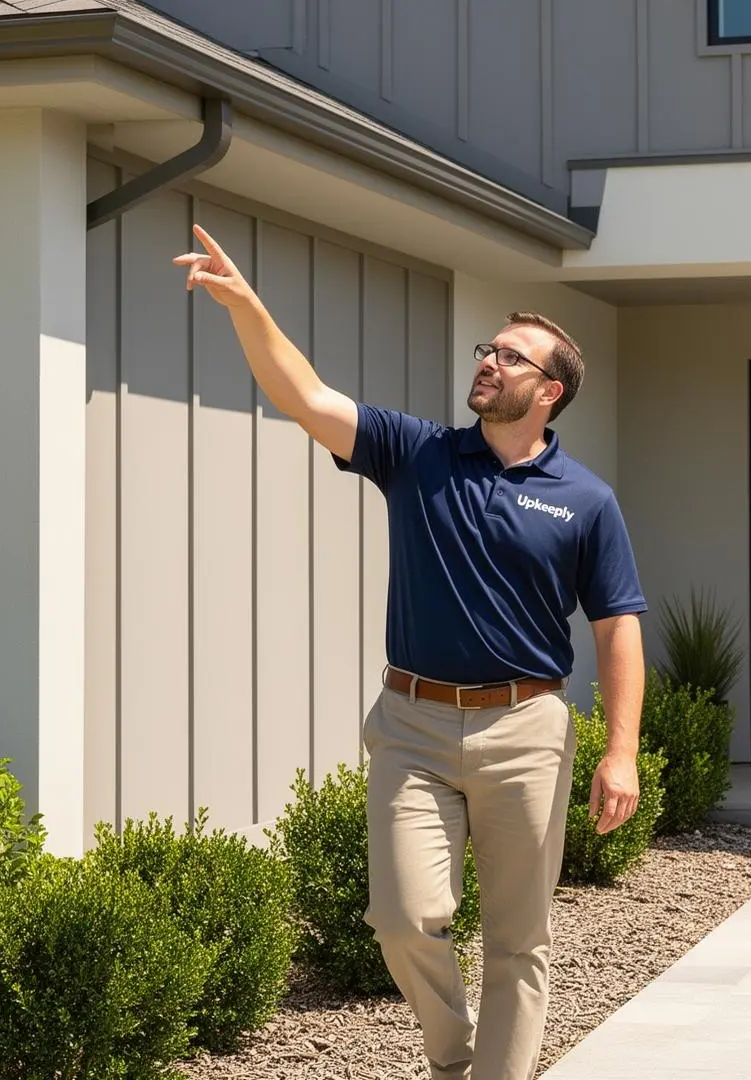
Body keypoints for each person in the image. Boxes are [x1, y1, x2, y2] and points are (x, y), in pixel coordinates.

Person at [175, 224, 648, 1080]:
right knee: (400, 917)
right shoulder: (418, 453)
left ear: (551, 393)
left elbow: (618, 624)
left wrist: (621, 752)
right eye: (488, 350)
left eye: (511, 357)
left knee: (518, 941)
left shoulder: (586, 500)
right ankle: (453, 1060)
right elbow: (307, 396)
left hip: (526, 728)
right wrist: (247, 307)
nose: (489, 362)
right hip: (411, 724)